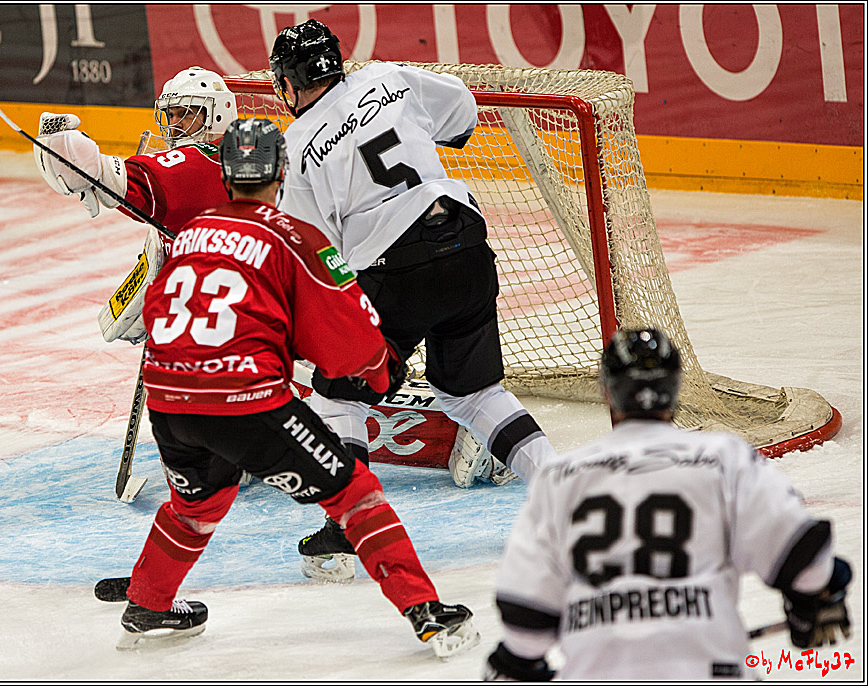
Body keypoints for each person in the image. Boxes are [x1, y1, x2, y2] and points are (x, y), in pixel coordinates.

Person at [115, 117, 480, 659]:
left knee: (200, 501)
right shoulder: (295, 235)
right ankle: (426, 612)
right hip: (246, 401)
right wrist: (381, 369)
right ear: (281, 172)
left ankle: (149, 600)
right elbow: (348, 334)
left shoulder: (189, 232)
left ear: (225, 173)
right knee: (353, 491)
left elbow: (155, 307)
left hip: (169, 400)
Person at [267, 19, 558, 580]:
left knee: (340, 395)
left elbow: (316, 254)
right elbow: (463, 112)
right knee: (474, 395)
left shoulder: (299, 146)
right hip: (467, 240)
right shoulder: (388, 77)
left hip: (396, 269)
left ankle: (348, 526)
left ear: (293, 82)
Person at [485, 328, 853, 680]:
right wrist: (815, 601)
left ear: (607, 392)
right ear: (676, 391)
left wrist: (516, 663)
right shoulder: (724, 458)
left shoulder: (559, 477)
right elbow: (804, 558)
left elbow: (526, 618)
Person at [34, 66, 236, 344]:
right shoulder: (232, 156)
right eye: (171, 114)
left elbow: (147, 181)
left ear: (218, 114)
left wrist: (94, 167)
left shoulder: (210, 160)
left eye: (186, 114)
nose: (175, 124)